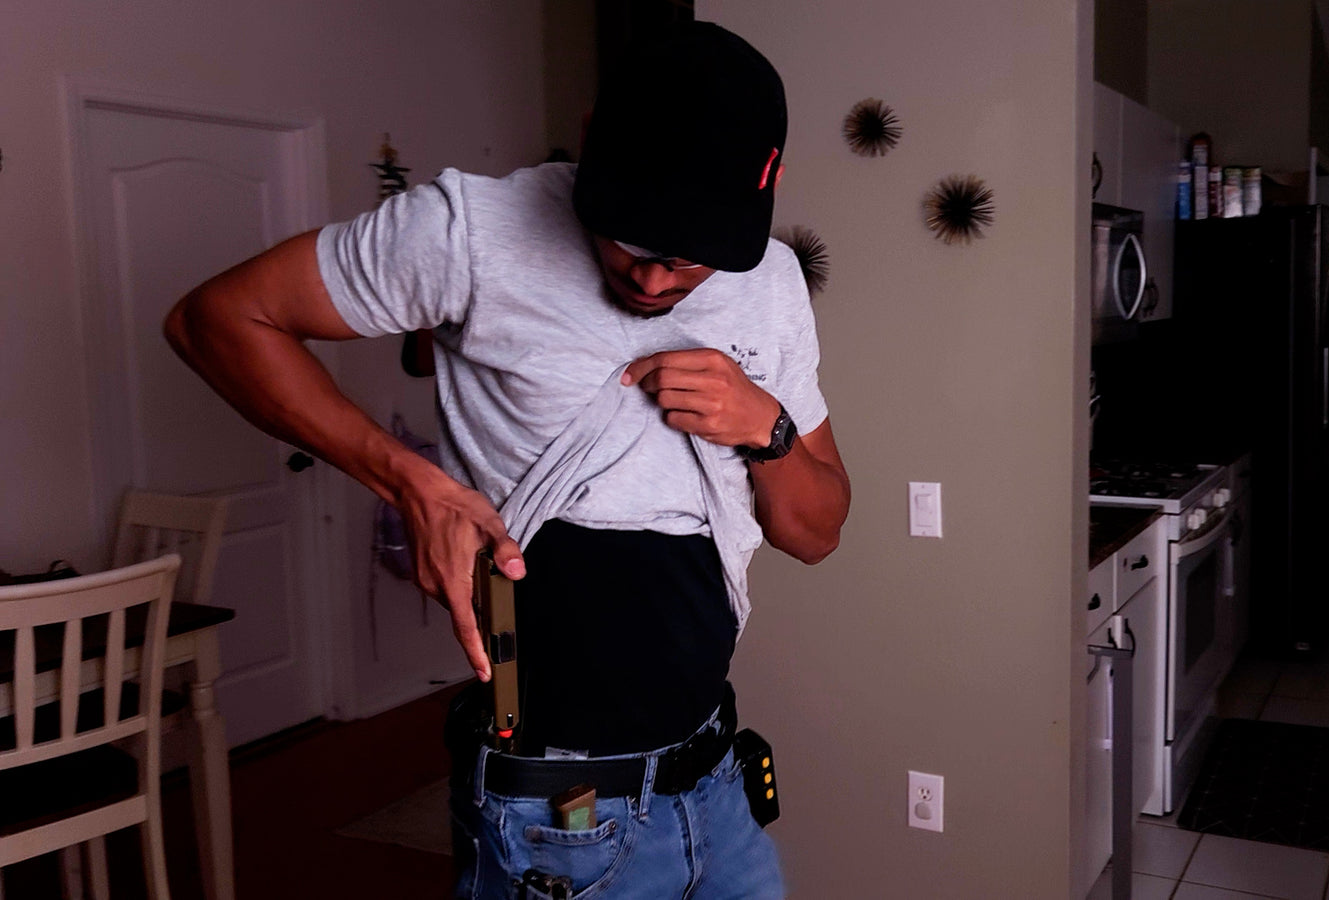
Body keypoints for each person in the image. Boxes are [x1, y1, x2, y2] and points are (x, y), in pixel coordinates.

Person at [164, 21, 848, 900]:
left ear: (764, 188)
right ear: (594, 138)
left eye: (685, 261)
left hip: (716, 781)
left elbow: (818, 533)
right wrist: (405, 477)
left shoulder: (776, 284)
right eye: (624, 240)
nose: (648, 280)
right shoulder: (469, 233)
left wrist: (768, 427)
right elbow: (215, 320)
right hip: (557, 810)